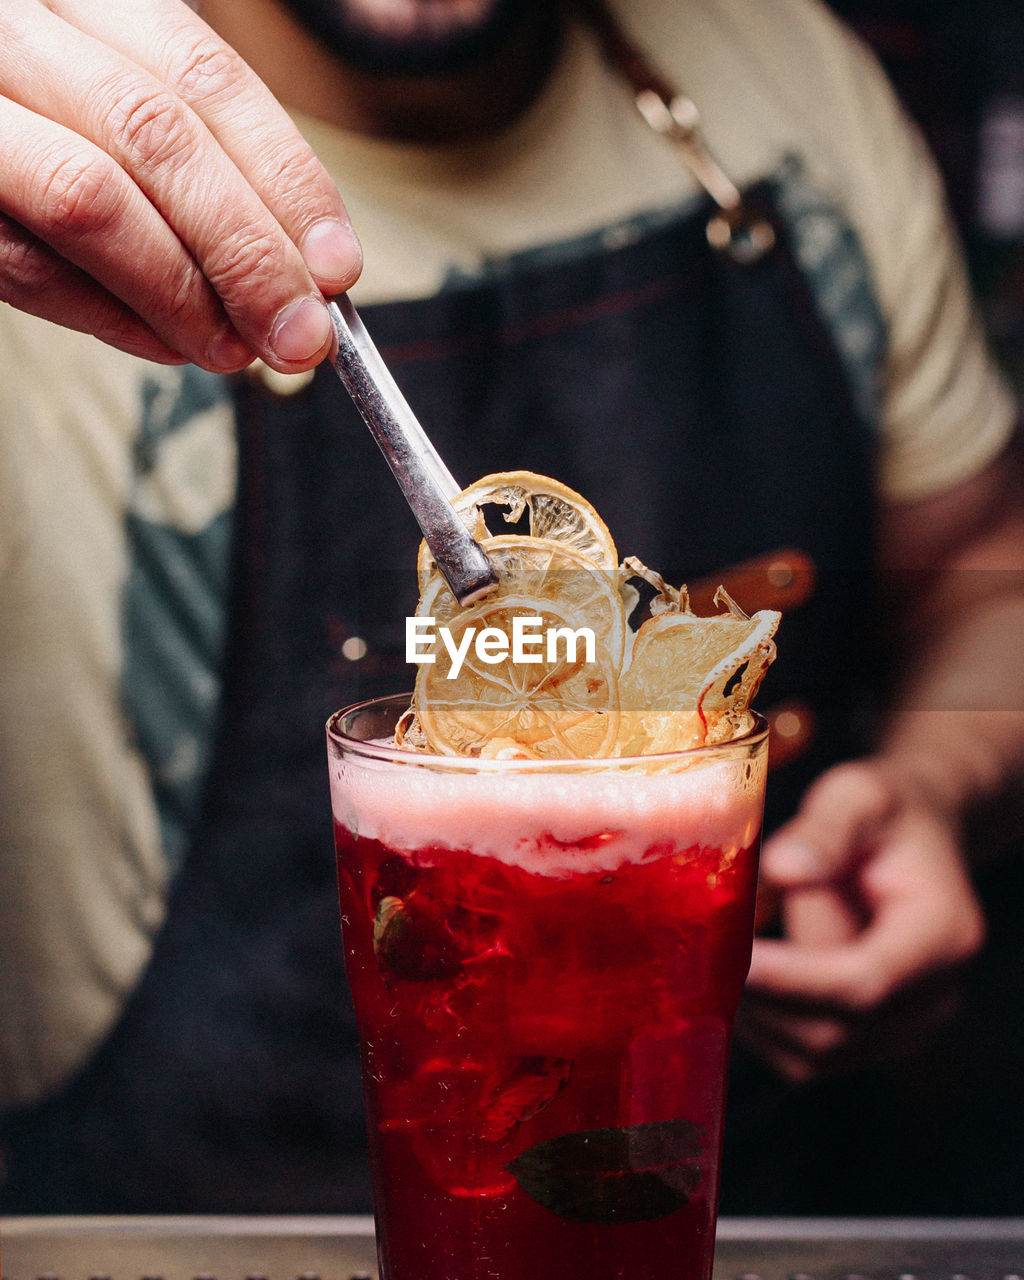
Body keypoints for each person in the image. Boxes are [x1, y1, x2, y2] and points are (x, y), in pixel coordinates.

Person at [1, 0, 1022, 1214]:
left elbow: (986, 564)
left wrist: (937, 779)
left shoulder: (788, 70)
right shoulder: (31, 150)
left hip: (754, 1198)